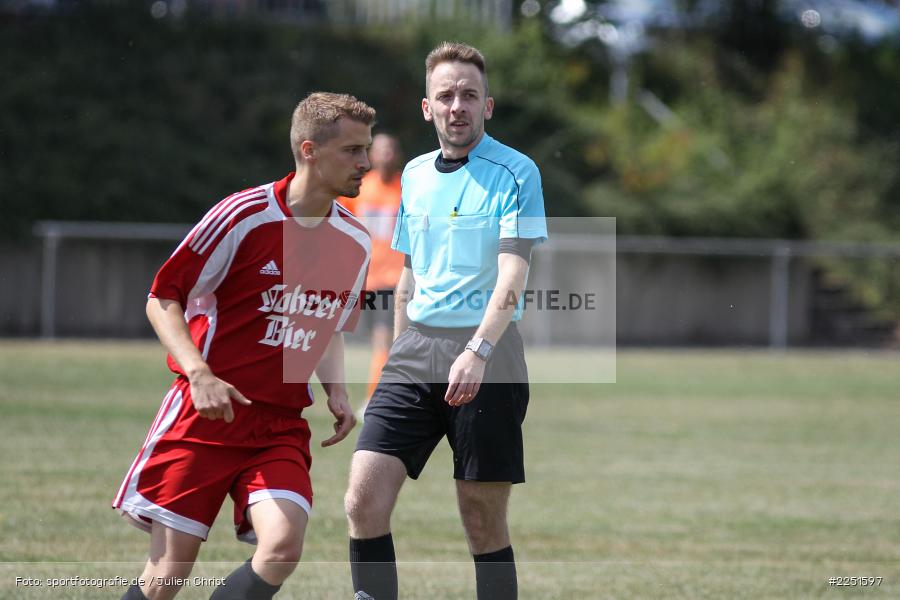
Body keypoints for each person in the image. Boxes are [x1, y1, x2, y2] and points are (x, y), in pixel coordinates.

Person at [112, 92, 375, 600]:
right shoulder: (244, 215)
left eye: (365, 149)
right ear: (309, 150)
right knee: (167, 575)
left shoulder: (356, 241)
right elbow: (162, 297)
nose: (364, 162)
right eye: (352, 151)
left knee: (282, 548)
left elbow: (327, 325)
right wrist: (198, 373)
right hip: (206, 419)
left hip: (278, 425)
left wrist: (336, 390)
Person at [344, 42, 548, 600]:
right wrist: (405, 344)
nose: (457, 105)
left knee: (480, 521)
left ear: (488, 106)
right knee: (363, 500)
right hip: (416, 351)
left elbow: (512, 278)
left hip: (489, 355)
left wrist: (477, 351)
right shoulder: (412, 174)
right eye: (446, 95)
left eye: (469, 95)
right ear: (427, 108)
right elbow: (409, 273)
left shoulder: (516, 172)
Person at [338, 133, 405, 420]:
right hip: (363, 278)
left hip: (395, 278)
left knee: (384, 341)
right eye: (379, 150)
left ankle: (374, 401)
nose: (385, 155)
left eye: (390, 149)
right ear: (371, 155)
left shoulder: (408, 188)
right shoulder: (360, 188)